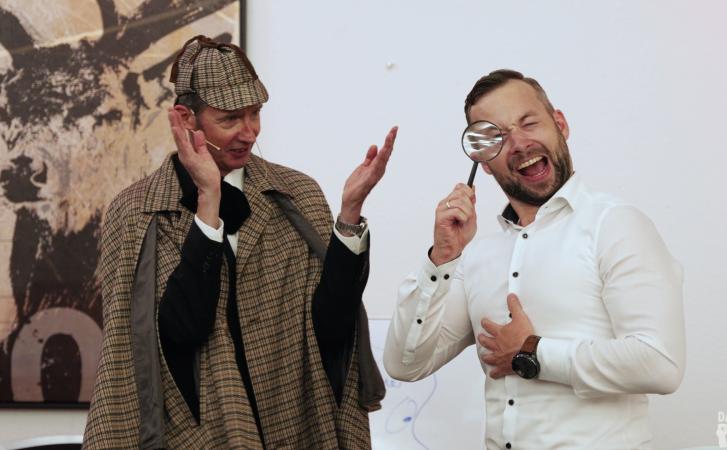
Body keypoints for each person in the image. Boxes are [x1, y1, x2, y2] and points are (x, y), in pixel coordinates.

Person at [84, 35, 396, 449]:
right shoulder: (136, 212)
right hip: (197, 436)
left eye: (255, 113)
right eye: (230, 118)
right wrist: (208, 203)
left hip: (297, 426)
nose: (249, 132)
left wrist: (350, 216)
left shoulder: (296, 194)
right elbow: (175, 334)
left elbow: (333, 324)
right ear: (186, 118)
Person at [383, 69, 685, 449]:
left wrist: (532, 352)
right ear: (484, 161)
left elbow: (661, 363)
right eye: (497, 138)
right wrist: (441, 257)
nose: (520, 143)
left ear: (560, 124)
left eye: (529, 123)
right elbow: (405, 364)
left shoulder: (615, 225)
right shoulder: (476, 258)